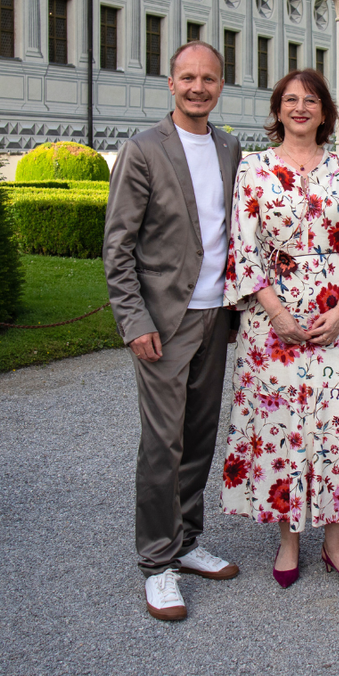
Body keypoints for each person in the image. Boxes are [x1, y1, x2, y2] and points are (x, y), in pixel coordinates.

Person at [220, 69, 339, 592]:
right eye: (290, 100)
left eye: (310, 100)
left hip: (337, 320)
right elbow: (243, 248)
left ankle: (336, 545)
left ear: (324, 110)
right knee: (281, 427)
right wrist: (277, 314)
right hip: (271, 324)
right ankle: (289, 538)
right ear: (277, 109)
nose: (299, 108)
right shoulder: (253, 169)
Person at [103, 41, 242, 622]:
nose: (198, 87)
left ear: (218, 86)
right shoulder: (142, 150)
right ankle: (156, 562)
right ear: (171, 83)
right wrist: (134, 322)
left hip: (217, 317)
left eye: (208, 79)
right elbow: (118, 248)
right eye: (188, 77)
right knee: (163, 444)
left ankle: (186, 542)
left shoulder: (231, 148)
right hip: (163, 322)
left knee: (200, 436)